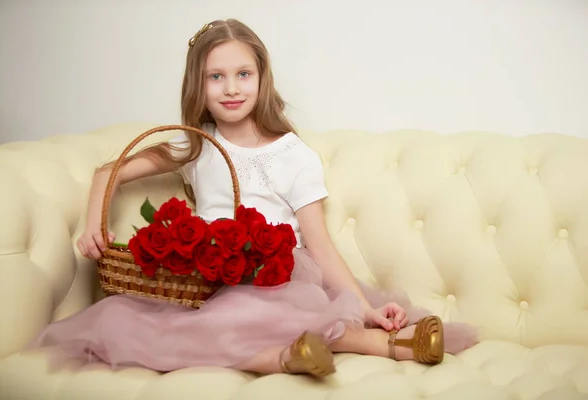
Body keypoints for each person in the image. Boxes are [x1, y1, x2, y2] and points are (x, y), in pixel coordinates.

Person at [25, 19, 479, 377]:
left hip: (279, 276)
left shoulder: (293, 155)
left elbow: (319, 244)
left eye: (243, 74)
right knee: (182, 324)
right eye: (216, 77)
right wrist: (92, 226)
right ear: (198, 86)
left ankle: (378, 341)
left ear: (262, 78)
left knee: (251, 313)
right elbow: (111, 171)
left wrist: (366, 309)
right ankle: (289, 356)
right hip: (211, 281)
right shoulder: (197, 144)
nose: (231, 88)